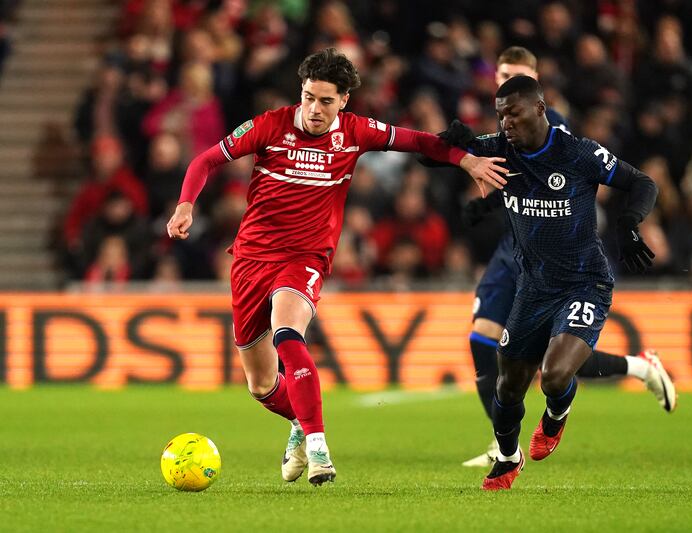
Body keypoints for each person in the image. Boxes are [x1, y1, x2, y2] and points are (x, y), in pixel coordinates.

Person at [166, 48, 507, 486]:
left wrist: (467, 159)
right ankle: (298, 421)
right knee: (262, 386)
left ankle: (318, 446)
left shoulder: (356, 131)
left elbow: (419, 141)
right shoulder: (269, 125)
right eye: (309, 97)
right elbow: (205, 160)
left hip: (305, 257)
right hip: (251, 258)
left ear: (344, 100)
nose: (314, 109)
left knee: (289, 332)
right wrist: (185, 206)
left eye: (326, 101)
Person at [459, 47, 677, 468]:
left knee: (552, 364)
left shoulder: (554, 132)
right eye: (502, 73)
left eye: (516, 73)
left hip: (564, 255)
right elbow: (506, 173)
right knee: (484, 339)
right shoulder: (506, 125)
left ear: (537, 84)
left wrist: (629, 221)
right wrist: (481, 198)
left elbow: (552, 178)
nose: (507, 78)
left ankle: (633, 367)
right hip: (518, 249)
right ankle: (503, 444)